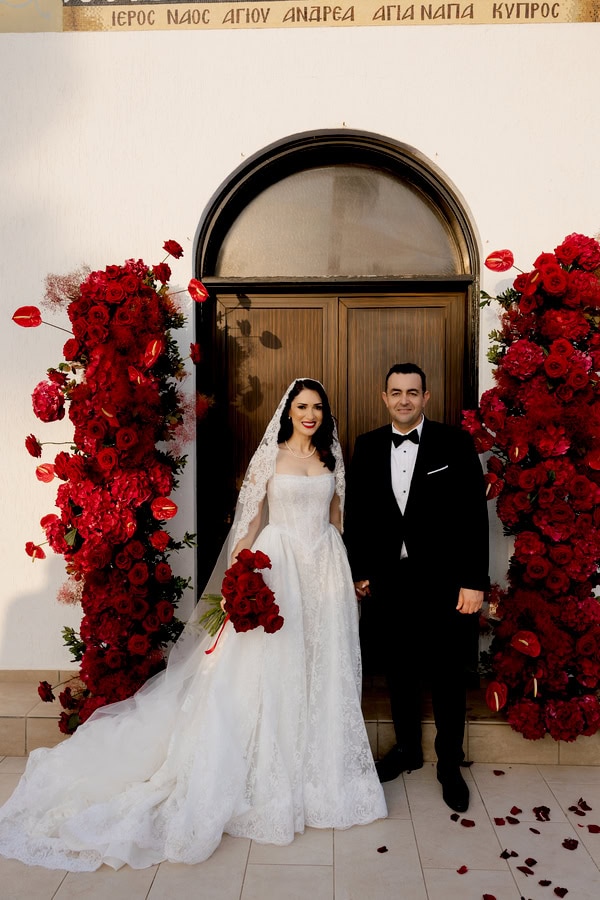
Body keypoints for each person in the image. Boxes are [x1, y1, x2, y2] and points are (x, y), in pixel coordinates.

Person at [0, 378, 386, 871]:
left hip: (325, 570)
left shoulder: (332, 458)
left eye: (317, 408)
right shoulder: (269, 458)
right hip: (279, 567)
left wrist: (348, 577)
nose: (310, 415)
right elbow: (247, 524)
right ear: (288, 412)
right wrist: (237, 582)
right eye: (302, 407)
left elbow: (337, 520)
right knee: (274, 669)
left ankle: (323, 772)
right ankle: (270, 772)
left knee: (321, 663)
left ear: (325, 414)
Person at [344, 363, 489, 813]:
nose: (404, 399)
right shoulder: (367, 446)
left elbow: (473, 517)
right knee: (400, 672)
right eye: (395, 392)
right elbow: (359, 513)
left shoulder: (454, 442)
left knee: (448, 675)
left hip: (446, 582)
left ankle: (449, 764)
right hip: (389, 580)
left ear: (426, 397)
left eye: (412, 392)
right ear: (384, 397)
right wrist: (360, 571)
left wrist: (474, 582)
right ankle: (407, 750)